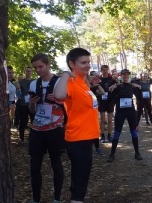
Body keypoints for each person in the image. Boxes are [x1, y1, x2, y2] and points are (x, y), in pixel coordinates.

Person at [54, 48, 100, 203]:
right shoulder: (71, 81)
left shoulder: (83, 82)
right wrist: (66, 74)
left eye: (88, 62)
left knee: (81, 178)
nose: (88, 65)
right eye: (83, 62)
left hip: (87, 137)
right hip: (77, 138)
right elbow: (59, 96)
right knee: (80, 181)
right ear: (72, 64)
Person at [27, 53, 66, 203]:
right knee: (35, 166)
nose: (38, 70)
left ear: (48, 65)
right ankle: (36, 199)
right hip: (37, 129)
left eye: (40, 66)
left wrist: (57, 101)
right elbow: (32, 110)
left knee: (56, 163)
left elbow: (69, 106)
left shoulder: (58, 83)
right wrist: (32, 103)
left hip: (55, 128)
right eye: (35, 67)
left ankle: (57, 198)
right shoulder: (33, 84)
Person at [106, 69, 143, 162]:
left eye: (127, 75)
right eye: (124, 75)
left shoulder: (132, 86)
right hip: (120, 112)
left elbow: (139, 97)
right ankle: (112, 154)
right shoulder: (117, 87)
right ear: (121, 76)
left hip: (130, 111)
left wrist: (139, 88)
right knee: (117, 133)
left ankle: (137, 153)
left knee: (134, 131)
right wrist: (111, 90)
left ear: (129, 76)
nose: (125, 77)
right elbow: (109, 99)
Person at [98, 65, 117, 144]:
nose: (105, 71)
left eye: (106, 70)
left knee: (110, 120)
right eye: (103, 70)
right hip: (102, 100)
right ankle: (102, 135)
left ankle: (109, 135)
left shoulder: (111, 79)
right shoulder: (99, 79)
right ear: (101, 71)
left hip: (110, 100)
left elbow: (118, 84)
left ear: (108, 70)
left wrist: (114, 84)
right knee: (102, 120)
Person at [16, 66, 35, 144]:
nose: (28, 73)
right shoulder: (21, 82)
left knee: (34, 122)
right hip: (23, 105)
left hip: (32, 104)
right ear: (25, 72)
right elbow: (18, 94)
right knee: (23, 122)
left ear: (32, 72)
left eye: (30, 71)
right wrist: (17, 89)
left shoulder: (35, 81)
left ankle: (33, 139)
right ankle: (21, 138)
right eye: (27, 71)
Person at [89, 71, 105, 155]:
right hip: (85, 110)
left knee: (95, 128)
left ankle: (97, 147)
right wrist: (90, 81)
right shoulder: (85, 85)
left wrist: (98, 85)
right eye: (91, 75)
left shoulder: (95, 87)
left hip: (94, 110)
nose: (93, 77)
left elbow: (102, 93)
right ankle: (89, 147)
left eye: (94, 76)